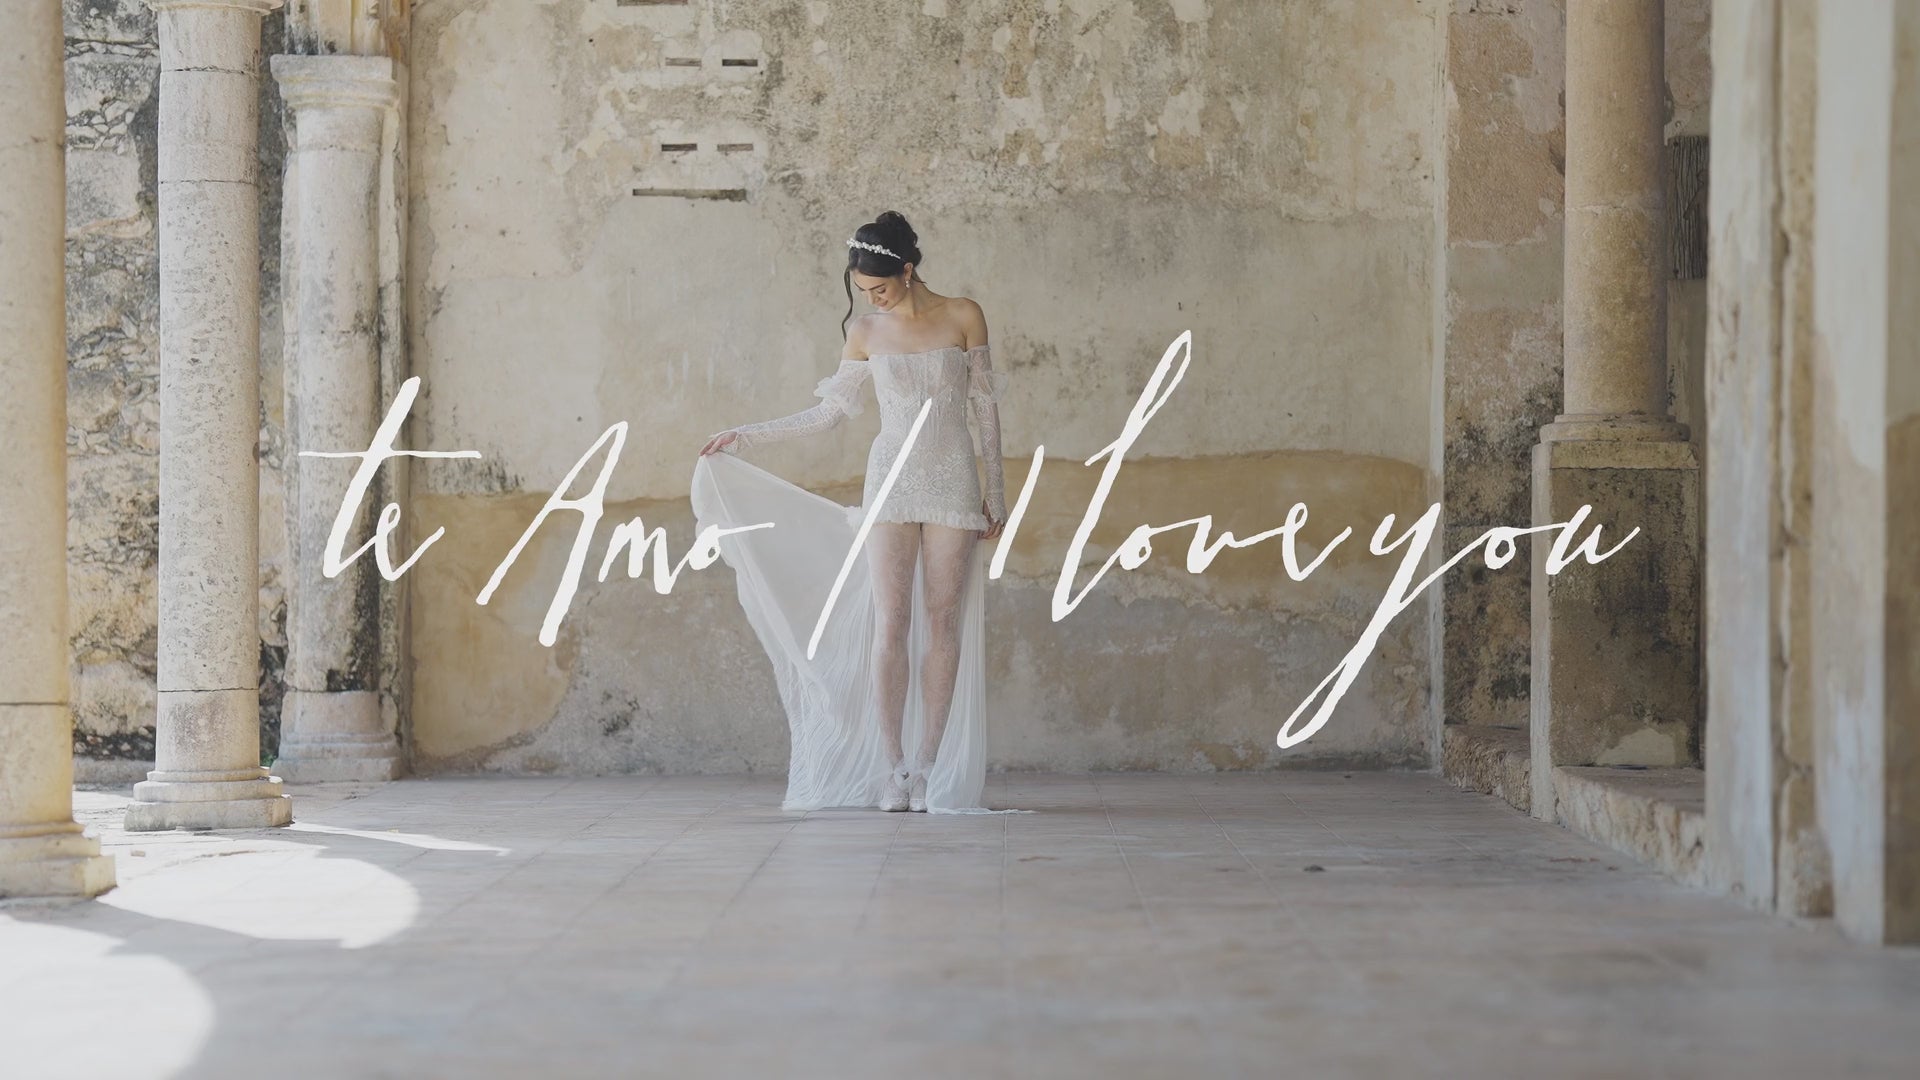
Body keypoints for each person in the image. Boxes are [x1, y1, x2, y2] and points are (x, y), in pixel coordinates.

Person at [691, 211, 1021, 815]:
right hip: (889, 481)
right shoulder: (866, 332)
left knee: (942, 622)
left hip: (952, 479)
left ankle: (928, 766)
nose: (872, 299)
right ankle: (893, 768)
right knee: (890, 622)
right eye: (865, 291)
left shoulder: (964, 314)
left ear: (907, 269)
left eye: (881, 288)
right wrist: (745, 435)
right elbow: (830, 413)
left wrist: (997, 496)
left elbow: (985, 413)